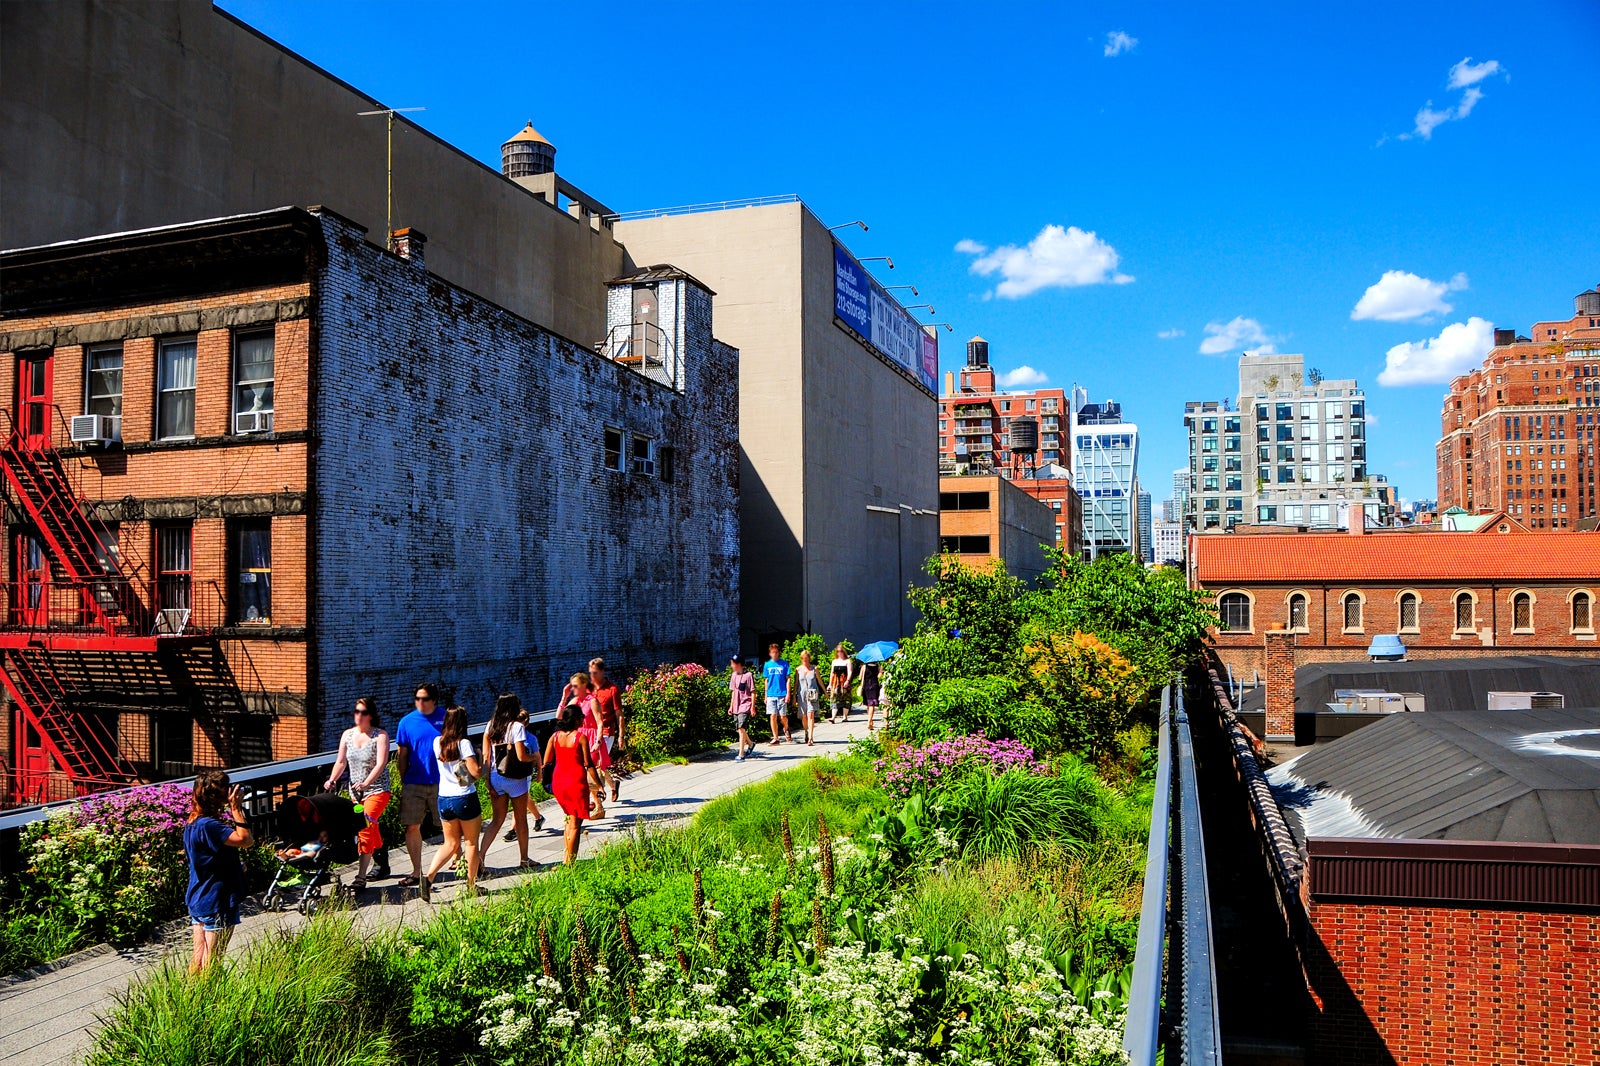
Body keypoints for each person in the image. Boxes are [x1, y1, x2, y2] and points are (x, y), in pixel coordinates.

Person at [183, 769, 253, 974]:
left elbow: (207, 858)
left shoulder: (193, 822)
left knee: (198, 959)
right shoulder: (211, 825)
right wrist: (236, 808)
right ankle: (209, 1001)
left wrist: (232, 865)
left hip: (198, 896)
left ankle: (190, 998)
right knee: (212, 962)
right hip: (216, 899)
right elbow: (245, 840)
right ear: (217, 797)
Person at [322, 697, 390, 890]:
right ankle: (382, 860)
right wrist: (333, 779)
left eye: (363, 712)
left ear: (371, 715)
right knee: (369, 826)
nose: (359, 716)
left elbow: (381, 763)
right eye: (357, 711)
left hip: (377, 789)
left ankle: (361, 877)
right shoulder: (348, 735)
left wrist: (367, 783)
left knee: (365, 825)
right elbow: (341, 761)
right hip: (356, 793)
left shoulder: (380, 736)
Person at [421, 705, 482, 902]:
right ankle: (471, 886)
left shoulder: (437, 742)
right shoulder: (463, 743)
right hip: (464, 797)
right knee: (471, 843)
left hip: (444, 798)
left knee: (450, 843)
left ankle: (429, 877)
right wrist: (482, 762)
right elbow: (474, 774)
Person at [478, 693, 541, 875]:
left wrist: (488, 782)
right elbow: (521, 756)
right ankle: (524, 859)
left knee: (497, 821)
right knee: (521, 819)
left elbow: (486, 756)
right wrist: (534, 760)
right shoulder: (517, 727)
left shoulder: (490, 725)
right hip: (515, 779)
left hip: (495, 777)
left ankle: (480, 859)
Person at [392, 682, 447, 889]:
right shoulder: (406, 722)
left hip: (443, 782)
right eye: (417, 699)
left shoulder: (446, 718)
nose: (420, 703)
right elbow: (402, 753)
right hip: (414, 782)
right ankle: (416, 871)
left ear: (434, 700)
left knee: (449, 825)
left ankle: (460, 861)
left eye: (424, 699)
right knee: (412, 826)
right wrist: (404, 777)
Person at [543, 694, 594, 865]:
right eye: (582, 717)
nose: (583, 719)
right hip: (576, 782)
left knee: (568, 819)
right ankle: (570, 863)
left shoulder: (555, 737)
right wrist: (599, 786)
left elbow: (547, 760)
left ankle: (567, 857)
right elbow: (588, 763)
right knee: (575, 824)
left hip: (559, 782)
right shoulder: (580, 737)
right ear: (576, 719)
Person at [562, 672, 610, 820]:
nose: (573, 689)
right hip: (578, 737)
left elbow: (600, 722)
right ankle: (594, 805)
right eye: (572, 686)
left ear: (584, 685)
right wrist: (564, 697)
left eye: (575, 686)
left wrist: (598, 741)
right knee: (580, 773)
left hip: (591, 738)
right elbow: (560, 716)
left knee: (590, 772)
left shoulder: (592, 701)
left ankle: (598, 806)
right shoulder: (575, 701)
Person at [588, 658, 626, 803]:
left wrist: (621, 736)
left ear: (602, 672)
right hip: (591, 732)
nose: (592, 676)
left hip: (606, 731)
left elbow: (619, 715)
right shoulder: (589, 689)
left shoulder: (612, 690)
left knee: (596, 762)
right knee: (596, 763)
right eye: (590, 673)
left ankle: (596, 798)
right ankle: (612, 785)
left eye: (595, 673)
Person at [762, 643, 793, 744]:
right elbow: (766, 680)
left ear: (778, 653)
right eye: (772, 652)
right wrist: (765, 695)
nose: (774, 654)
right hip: (771, 694)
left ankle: (786, 728)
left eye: (776, 652)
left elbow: (788, 679)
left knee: (782, 716)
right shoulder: (767, 665)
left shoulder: (784, 664)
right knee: (773, 715)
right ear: (770, 653)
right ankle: (775, 738)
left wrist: (788, 693)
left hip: (782, 693)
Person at [728, 654, 756, 760]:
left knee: (741, 728)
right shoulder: (734, 675)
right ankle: (750, 744)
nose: (731, 666)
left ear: (738, 664)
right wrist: (731, 706)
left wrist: (752, 707)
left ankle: (741, 754)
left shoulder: (748, 675)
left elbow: (753, 692)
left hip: (745, 704)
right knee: (740, 729)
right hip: (736, 705)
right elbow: (733, 692)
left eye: (732, 663)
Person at [795, 649, 822, 746]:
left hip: (812, 693)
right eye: (803, 658)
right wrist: (794, 697)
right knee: (804, 716)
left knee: (810, 714)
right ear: (801, 659)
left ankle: (810, 737)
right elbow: (796, 684)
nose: (805, 660)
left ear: (809, 658)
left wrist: (825, 692)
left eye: (806, 658)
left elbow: (819, 681)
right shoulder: (798, 670)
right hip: (802, 694)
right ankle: (806, 731)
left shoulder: (814, 668)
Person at [829, 644, 855, 723]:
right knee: (834, 699)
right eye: (838, 651)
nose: (839, 653)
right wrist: (830, 684)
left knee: (846, 699)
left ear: (843, 652)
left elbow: (850, 671)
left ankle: (845, 716)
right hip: (835, 682)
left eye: (840, 651)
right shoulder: (834, 661)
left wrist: (847, 680)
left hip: (844, 681)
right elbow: (832, 673)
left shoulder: (847, 661)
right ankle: (833, 717)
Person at [861, 660, 883, 732]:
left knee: (869, 704)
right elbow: (879, 676)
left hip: (866, 686)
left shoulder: (864, 666)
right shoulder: (879, 666)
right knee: (872, 704)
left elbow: (860, 677)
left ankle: (870, 720)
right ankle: (870, 721)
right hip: (874, 685)